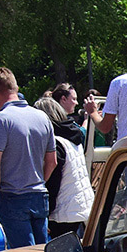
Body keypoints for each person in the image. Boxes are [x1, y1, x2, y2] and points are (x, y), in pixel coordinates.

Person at [0, 66, 56, 248]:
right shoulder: (42, 117)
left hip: (12, 196)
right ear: (15, 87)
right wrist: (38, 181)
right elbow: (52, 161)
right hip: (39, 194)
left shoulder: (1, 119)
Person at [34, 97, 94, 237]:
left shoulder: (55, 142)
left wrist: (46, 212)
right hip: (80, 205)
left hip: (64, 210)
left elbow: (54, 181)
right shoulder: (73, 136)